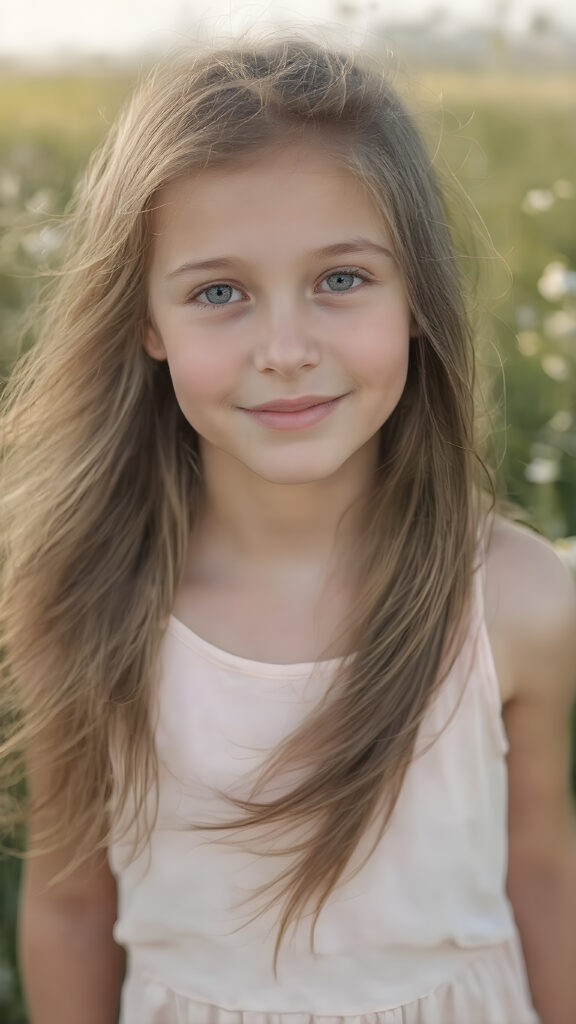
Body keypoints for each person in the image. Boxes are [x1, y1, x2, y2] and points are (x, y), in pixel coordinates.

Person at [0, 30, 575, 1024]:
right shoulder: (86, 594)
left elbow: (543, 877)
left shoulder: (518, 599)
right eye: (219, 292)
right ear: (147, 321)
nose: (286, 349)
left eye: (341, 279)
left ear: (417, 299)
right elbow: (67, 901)